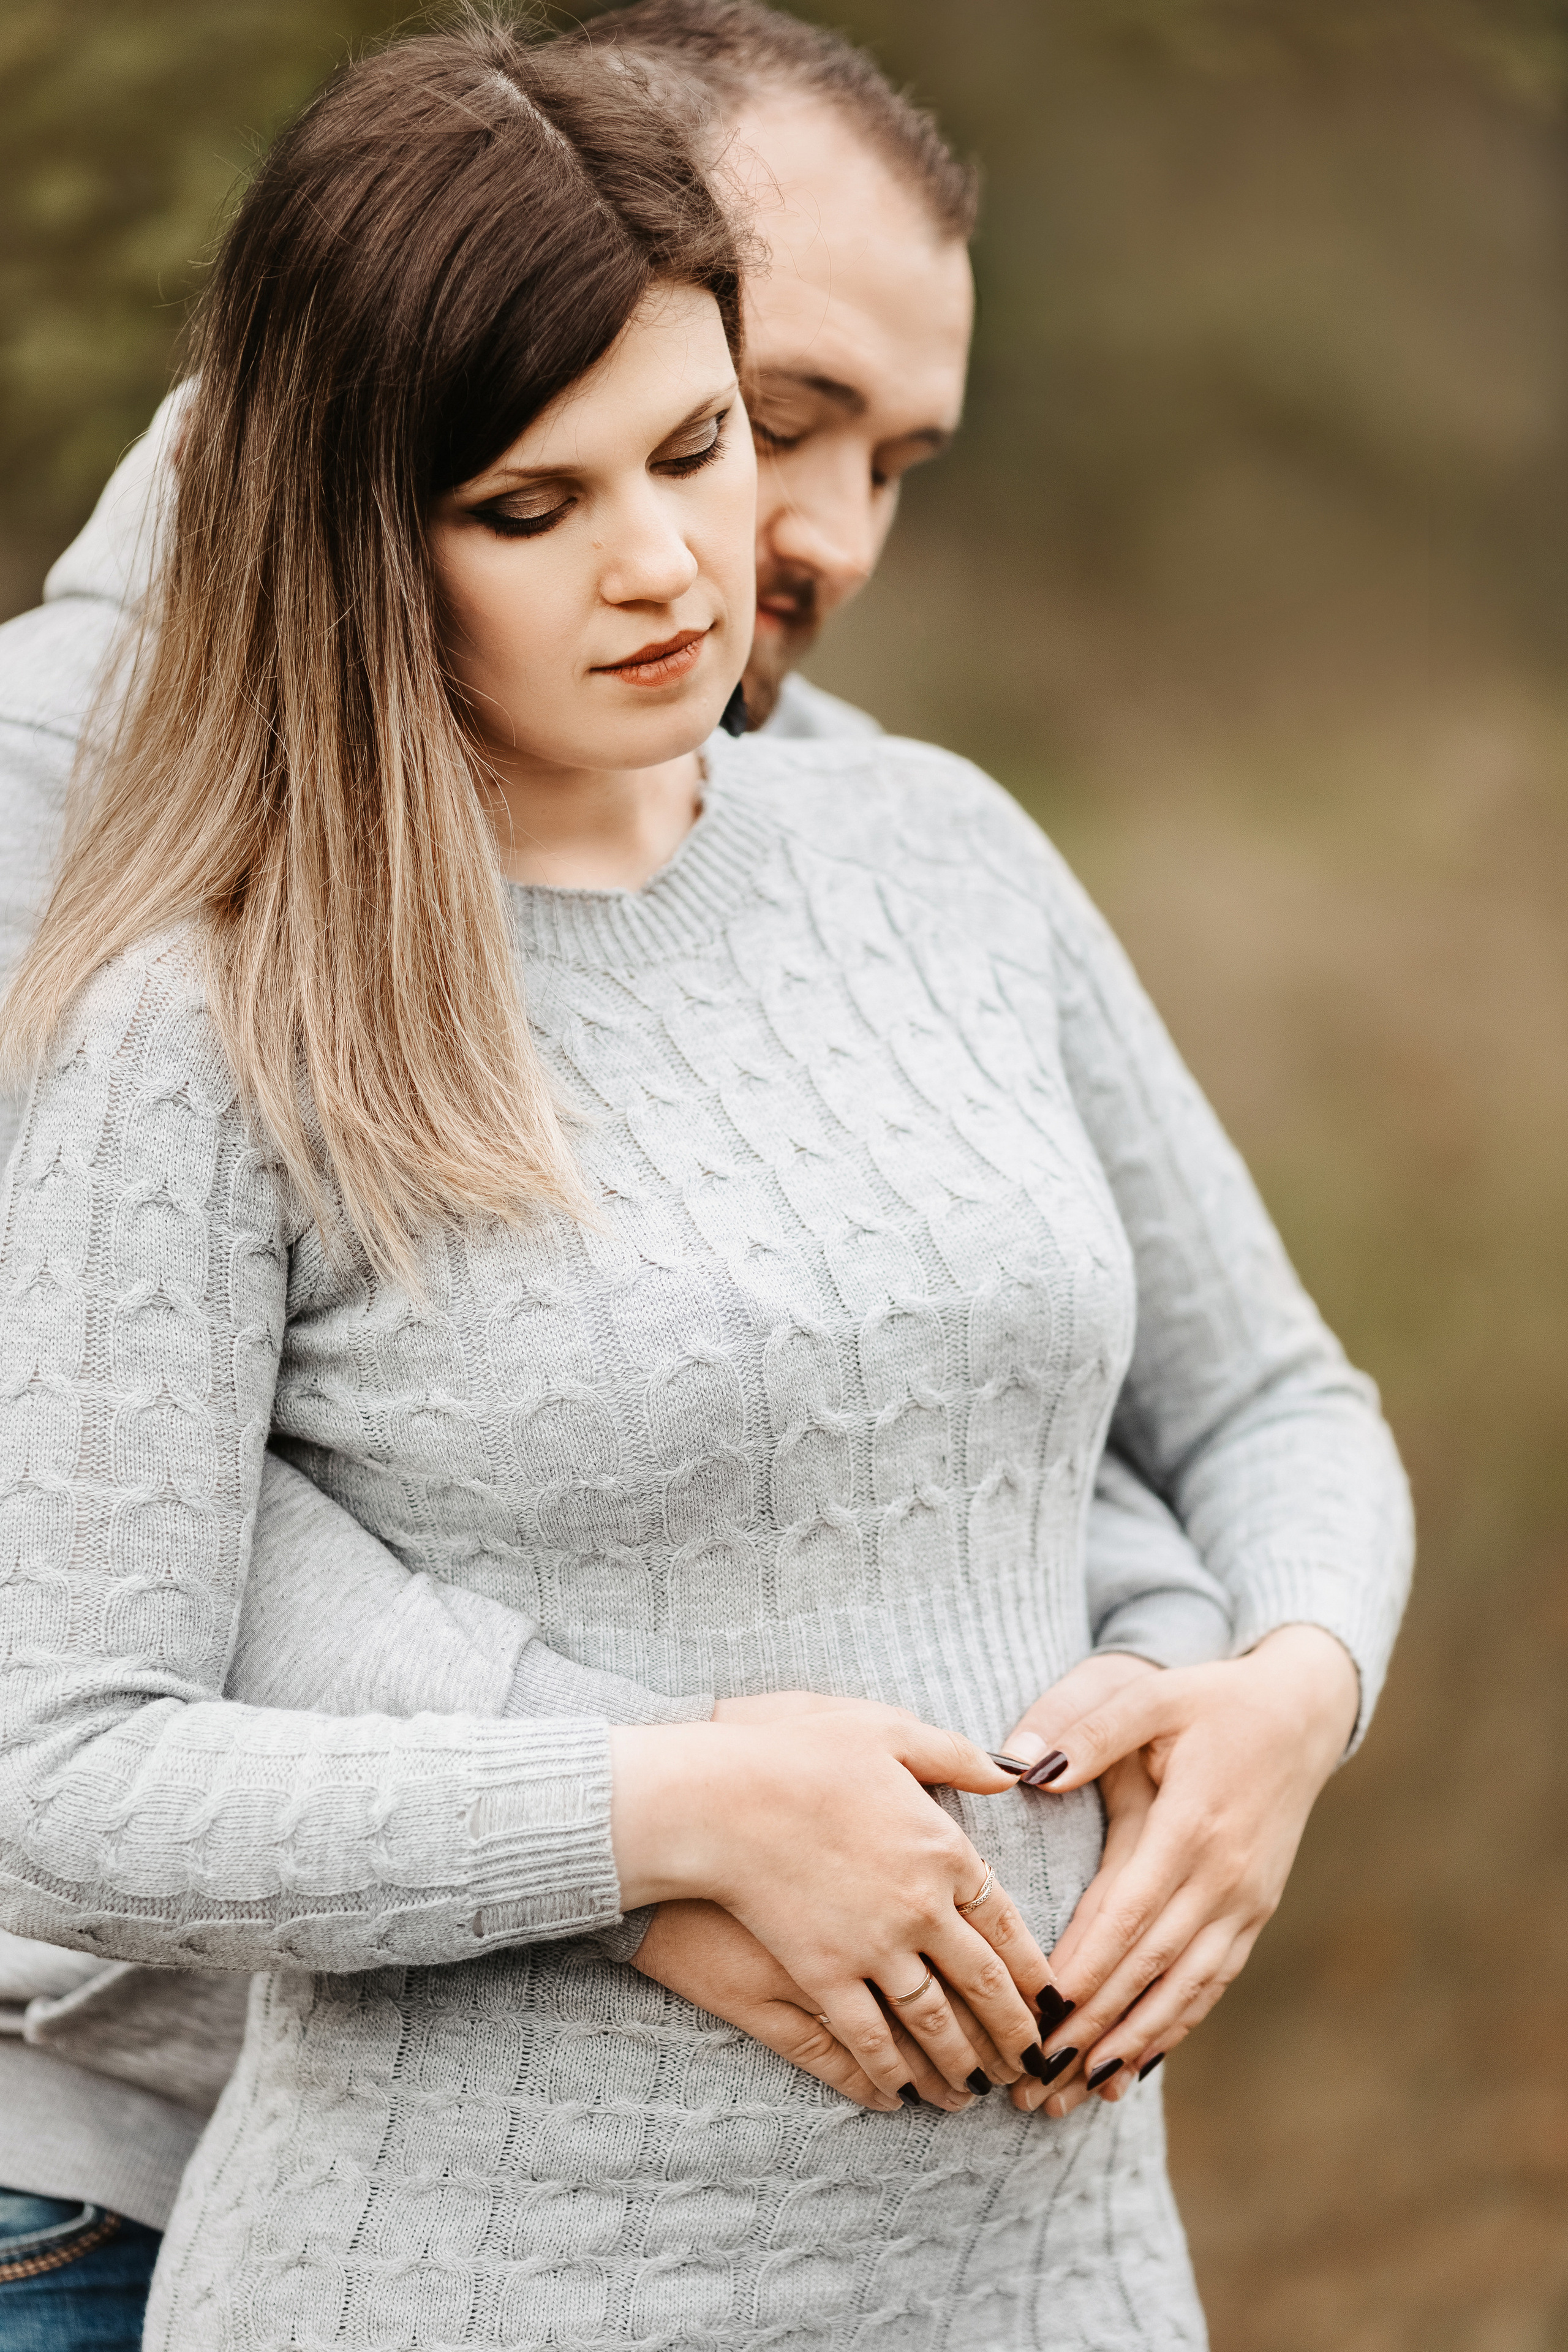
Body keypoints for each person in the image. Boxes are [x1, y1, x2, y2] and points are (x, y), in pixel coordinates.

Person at [0, 14, 1410, 2349]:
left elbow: (1238, 1399)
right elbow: (67, 1736)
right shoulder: (192, 977)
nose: (698, 561)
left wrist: (1273, 1689)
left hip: (1048, 2276)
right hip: (396, 2250)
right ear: (363, 538)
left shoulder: (932, 842)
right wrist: (672, 1820)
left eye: (703, 446)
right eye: (534, 507)